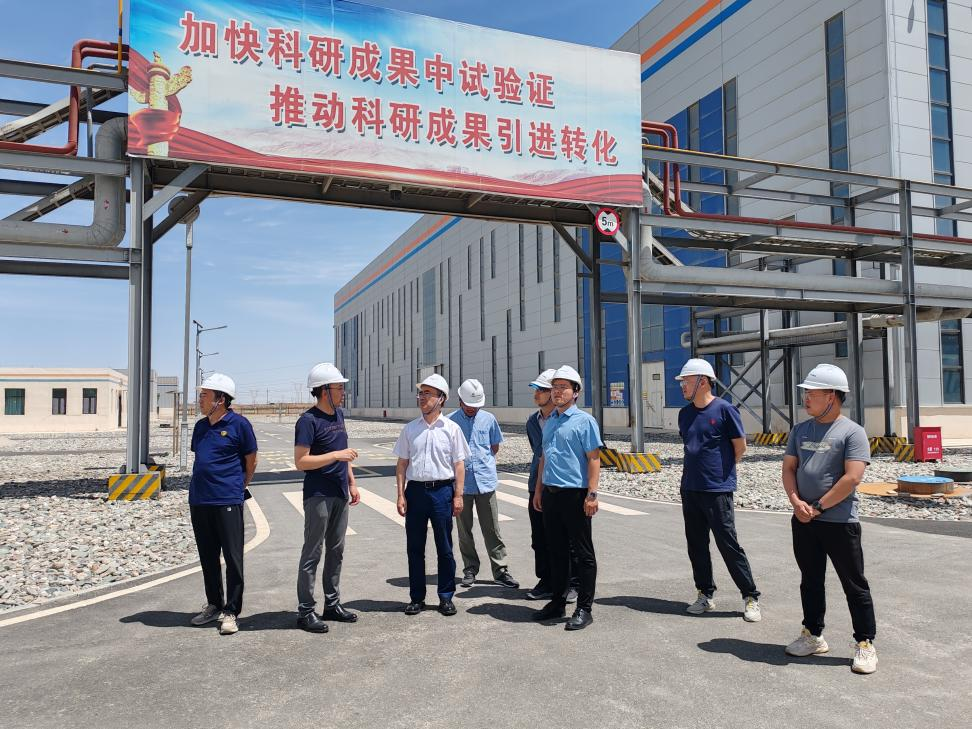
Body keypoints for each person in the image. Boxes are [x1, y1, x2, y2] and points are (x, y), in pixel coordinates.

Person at [782, 363, 877, 674]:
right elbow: (789, 469)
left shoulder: (852, 432)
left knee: (854, 584)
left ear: (832, 396)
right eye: (806, 393)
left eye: (812, 393)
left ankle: (865, 643)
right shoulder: (800, 430)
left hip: (839, 522)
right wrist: (796, 502)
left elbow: (852, 478)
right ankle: (813, 634)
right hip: (804, 520)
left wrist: (818, 507)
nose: (806, 398)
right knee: (810, 581)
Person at [675, 358, 761, 623]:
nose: (682, 386)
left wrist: (720, 473)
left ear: (702, 381)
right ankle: (705, 593)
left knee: (728, 543)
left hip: (717, 490)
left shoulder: (725, 410)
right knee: (696, 545)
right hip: (690, 488)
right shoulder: (684, 414)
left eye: (686, 381)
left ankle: (750, 596)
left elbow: (740, 447)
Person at [531, 365, 602, 631]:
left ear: (576, 392)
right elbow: (543, 458)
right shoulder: (551, 420)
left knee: (583, 554)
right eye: (555, 387)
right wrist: (539, 490)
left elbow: (593, 459)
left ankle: (584, 608)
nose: (557, 392)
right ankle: (558, 602)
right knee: (556, 551)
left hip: (575, 495)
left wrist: (592, 495)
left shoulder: (584, 421)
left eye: (563, 387)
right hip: (551, 494)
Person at [393, 374, 470, 616]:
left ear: (441, 399)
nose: (422, 397)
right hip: (415, 492)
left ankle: (446, 597)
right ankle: (417, 598)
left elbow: (459, 465)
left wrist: (458, 495)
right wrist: (400, 495)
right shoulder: (410, 429)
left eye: (428, 393)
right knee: (414, 547)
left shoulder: (452, 429)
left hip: (442, 492)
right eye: (421, 393)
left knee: (444, 547)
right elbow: (402, 464)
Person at [188, 373, 257, 636]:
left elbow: (251, 460)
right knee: (208, 557)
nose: (200, 399)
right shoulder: (200, 427)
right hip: (199, 500)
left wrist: (239, 486)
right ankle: (214, 604)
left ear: (221, 399)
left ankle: (231, 611)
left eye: (204, 395)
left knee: (232, 558)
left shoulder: (240, 425)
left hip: (227, 499)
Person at [293, 363, 361, 634]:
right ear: (324, 391)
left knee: (336, 550)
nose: (343, 392)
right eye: (339, 388)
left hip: (340, 493)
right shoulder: (307, 421)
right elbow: (301, 461)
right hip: (318, 495)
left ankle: (332, 605)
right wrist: (335, 456)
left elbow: (343, 452)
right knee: (313, 552)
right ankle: (305, 611)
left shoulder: (339, 415)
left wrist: (352, 482)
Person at [449, 379, 519, 590]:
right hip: (462, 486)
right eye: (469, 404)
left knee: (492, 529)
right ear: (460, 400)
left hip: (486, 483)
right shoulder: (450, 422)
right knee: (464, 531)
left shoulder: (489, 419)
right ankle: (470, 569)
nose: (473, 408)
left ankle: (501, 570)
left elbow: (494, 447)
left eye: (476, 405)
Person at [525, 369, 578, 603]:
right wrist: (537, 488)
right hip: (538, 484)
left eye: (541, 390)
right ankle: (546, 580)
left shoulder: (570, 420)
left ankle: (573, 583)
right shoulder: (532, 422)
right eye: (536, 390)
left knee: (569, 540)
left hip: (565, 487)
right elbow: (539, 454)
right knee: (539, 537)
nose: (536, 394)